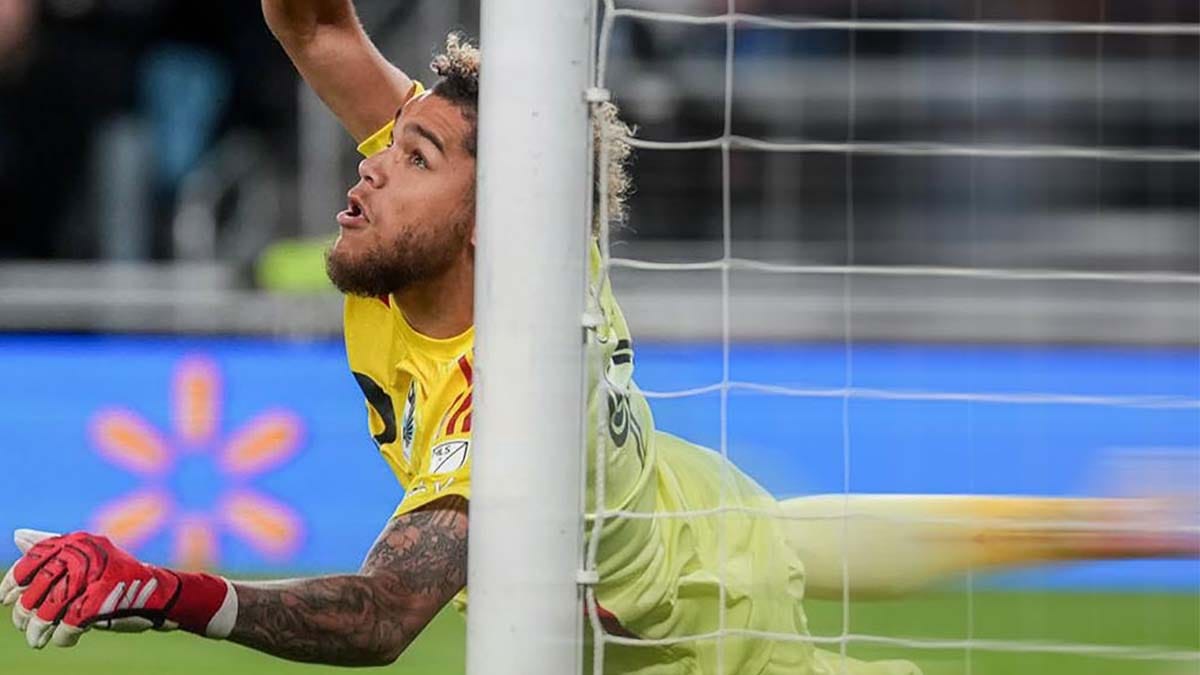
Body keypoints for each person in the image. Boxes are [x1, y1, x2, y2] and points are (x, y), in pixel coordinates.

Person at [3, 3, 1196, 673]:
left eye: (412, 158)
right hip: (700, 511)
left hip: (709, 649)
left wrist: (166, 590)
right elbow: (315, 27)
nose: (367, 170)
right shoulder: (449, 233)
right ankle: (1112, 521)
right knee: (780, 539)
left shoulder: (515, 387)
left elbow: (382, 614)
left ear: (497, 220)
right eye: (391, 146)